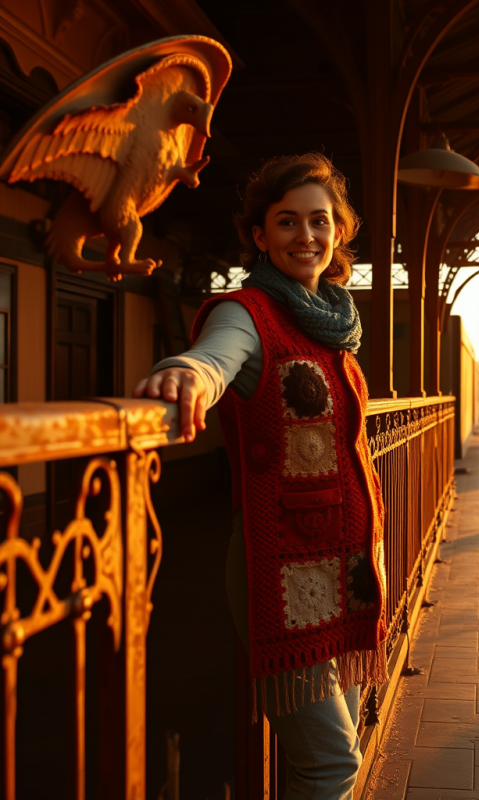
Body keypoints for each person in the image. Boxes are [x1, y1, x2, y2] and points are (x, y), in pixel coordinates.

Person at [134, 153, 387, 800]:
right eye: (287, 222)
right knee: (332, 765)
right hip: (285, 575)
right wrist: (187, 372)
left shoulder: (330, 321)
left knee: (337, 749)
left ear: (338, 231)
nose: (306, 236)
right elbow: (216, 358)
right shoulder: (247, 311)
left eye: (319, 221)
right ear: (260, 236)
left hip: (348, 570)